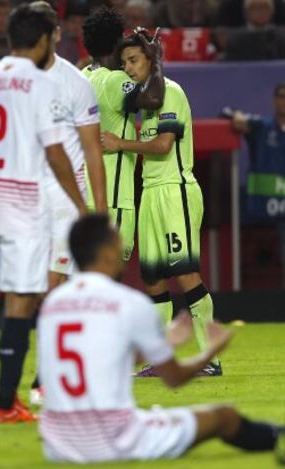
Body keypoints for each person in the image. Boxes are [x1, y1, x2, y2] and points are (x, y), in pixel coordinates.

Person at [37, 214, 284, 464]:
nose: (122, 245)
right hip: (114, 440)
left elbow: (97, 359)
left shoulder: (52, 304)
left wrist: (165, 343)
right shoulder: (128, 302)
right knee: (224, 416)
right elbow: (174, 378)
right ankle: (278, 438)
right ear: (106, 252)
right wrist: (209, 353)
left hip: (57, 443)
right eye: (116, 241)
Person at [0, 2, 86, 423]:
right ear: (44, 39)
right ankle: (6, 399)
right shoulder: (41, 83)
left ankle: (12, 393)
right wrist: (83, 206)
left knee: (19, 295)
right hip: (24, 205)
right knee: (24, 299)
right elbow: (56, 154)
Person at [101, 31, 221, 377]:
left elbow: (164, 145)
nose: (128, 68)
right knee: (152, 277)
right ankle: (161, 355)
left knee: (184, 271)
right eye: (124, 63)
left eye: (134, 60)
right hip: (151, 192)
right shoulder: (147, 99)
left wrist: (120, 143)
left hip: (175, 189)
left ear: (151, 59)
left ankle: (210, 355)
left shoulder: (171, 92)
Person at [28, 1, 107, 406]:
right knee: (37, 289)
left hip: (65, 195)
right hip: (25, 194)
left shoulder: (76, 82)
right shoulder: (12, 79)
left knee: (55, 285)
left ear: (57, 33)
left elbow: (93, 151)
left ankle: (47, 377)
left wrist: (100, 209)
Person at [82, 6, 165, 262]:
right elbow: (153, 98)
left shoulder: (82, 76)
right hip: (112, 197)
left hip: (82, 194)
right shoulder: (113, 80)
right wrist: (155, 59)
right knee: (108, 279)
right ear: (117, 42)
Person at [222, 82, 285, 286]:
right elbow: (227, 114)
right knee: (260, 272)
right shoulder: (262, 127)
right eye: (281, 96)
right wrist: (237, 117)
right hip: (261, 214)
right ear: (274, 101)